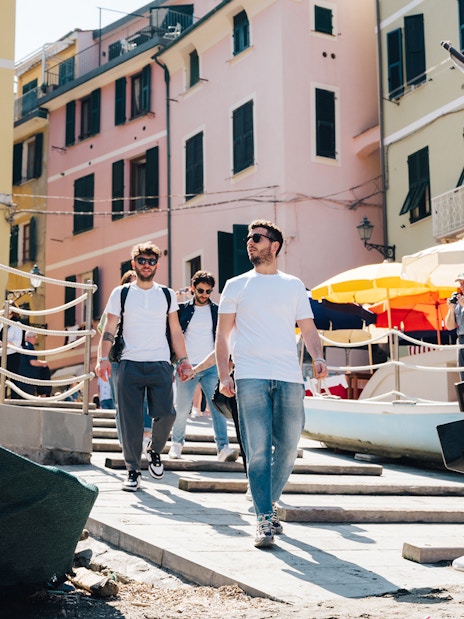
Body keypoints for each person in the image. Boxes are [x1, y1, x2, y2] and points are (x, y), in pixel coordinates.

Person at [215, 220, 328, 549]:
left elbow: (307, 329)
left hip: (290, 376)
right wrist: (225, 375)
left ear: (274, 245)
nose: (250, 243)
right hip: (249, 376)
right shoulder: (236, 285)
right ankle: (264, 516)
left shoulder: (293, 285)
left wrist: (318, 357)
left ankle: (264, 496)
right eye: (249, 239)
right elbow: (222, 336)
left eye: (257, 239)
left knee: (290, 447)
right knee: (259, 449)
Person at [95, 242, 194, 492]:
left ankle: (154, 450)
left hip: (160, 363)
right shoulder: (122, 293)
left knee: (167, 413)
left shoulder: (167, 294)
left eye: (151, 261)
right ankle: (132, 470)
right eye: (142, 260)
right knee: (130, 421)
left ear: (157, 265)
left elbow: (175, 330)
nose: (146, 265)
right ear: (134, 264)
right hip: (129, 363)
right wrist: (102, 358)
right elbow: (109, 328)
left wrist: (183, 360)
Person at [169, 271, 238, 461]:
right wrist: (175, 361)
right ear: (192, 288)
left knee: (217, 407)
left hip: (211, 367)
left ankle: (223, 448)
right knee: (182, 408)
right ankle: (176, 444)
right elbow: (173, 336)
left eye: (208, 291)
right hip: (186, 366)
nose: (204, 294)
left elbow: (223, 339)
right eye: (200, 290)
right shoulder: (182, 310)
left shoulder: (217, 311)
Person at [16, 331, 51, 397]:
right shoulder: (29, 347)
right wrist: (43, 363)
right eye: (35, 337)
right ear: (32, 337)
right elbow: (33, 362)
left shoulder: (22, 346)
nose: (36, 339)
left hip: (20, 378)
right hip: (28, 380)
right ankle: (44, 394)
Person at [1, 304, 24, 398]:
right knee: (1, 380)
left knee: (14, 380)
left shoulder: (17, 325)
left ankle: (14, 402)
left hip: (13, 355)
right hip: (1, 354)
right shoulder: (1, 323)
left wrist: (4, 343)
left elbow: (17, 342)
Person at [445, 274, 464, 380]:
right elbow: (449, 326)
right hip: (461, 340)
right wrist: (451, 309)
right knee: (462, 374)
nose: (462, 286)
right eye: (461, 283)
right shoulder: (458, 302)